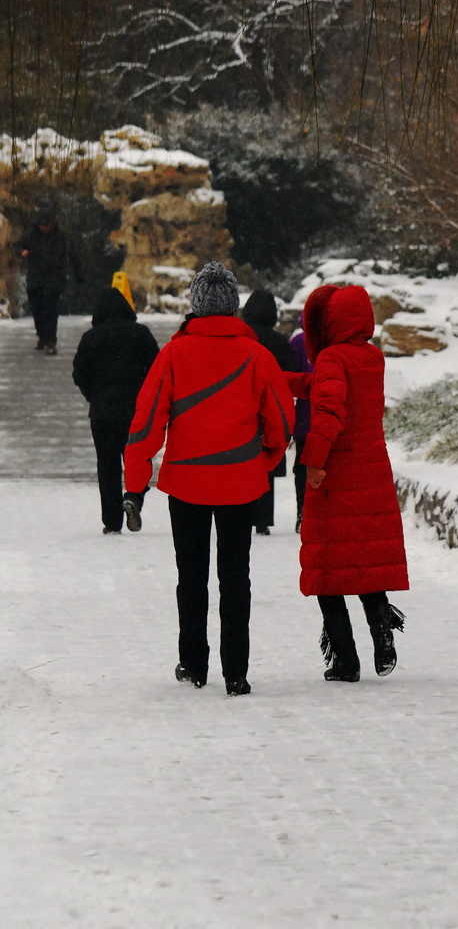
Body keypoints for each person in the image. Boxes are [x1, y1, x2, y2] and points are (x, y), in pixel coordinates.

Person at [123, 262, 294, 697]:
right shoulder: (256, 355)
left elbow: (145, 425)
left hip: (187, 485)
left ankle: (194, 664)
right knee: (237, 577)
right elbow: (281, 420)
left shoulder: (174, 355)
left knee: (191, 574)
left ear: (195, 306)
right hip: (240, 484)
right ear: (233, 305)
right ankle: (235, 672)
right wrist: (265, 459)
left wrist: (135, 483)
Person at [285, 283, 409, 683]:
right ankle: (382, 631)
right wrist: (279, 379)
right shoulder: (370, 358)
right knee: (363, 565)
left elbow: (328, 412)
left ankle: (345, 660)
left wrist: (313, 464)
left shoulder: (332, 358)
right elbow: (325, 388)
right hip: (371, 471)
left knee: (327, 571)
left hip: (337, 476)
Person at [72, 288, 160, 534]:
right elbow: (157, 370)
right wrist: (144, 396)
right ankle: (133, 498)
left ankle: (112, 522)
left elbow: (79, 373)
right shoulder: (141, 334)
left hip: (102, 414)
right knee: (138, 460)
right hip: (135, 412)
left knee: (107, 466)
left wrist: (94, 395)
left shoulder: (91, 338)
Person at [241, 289, 297, 535]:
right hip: (270, 407)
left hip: (243, 406)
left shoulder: (242, 338)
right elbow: (291, 375)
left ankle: (242, 512)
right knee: (267, 463)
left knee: (242, 463)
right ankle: (263, 520)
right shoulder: (279, 341)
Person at [14, 209, 79, 354]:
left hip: (54, 275)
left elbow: (73, 254)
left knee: (50, 308)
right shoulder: (31, 235)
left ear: (51, 225)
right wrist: (21, 252)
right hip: (36, 276)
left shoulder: (61, 236)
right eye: (42, 226)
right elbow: (17, 245)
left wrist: (78, 274)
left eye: (47, 226)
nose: (44, 228)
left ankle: (51, 340)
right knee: (37, 308)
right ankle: (42, 335)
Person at [289, 316, 312, 533]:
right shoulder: (333, 343)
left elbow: (289, 379)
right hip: (329, 419)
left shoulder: (297, 343)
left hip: (304, 419)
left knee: (302, 469)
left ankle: (302, 511)